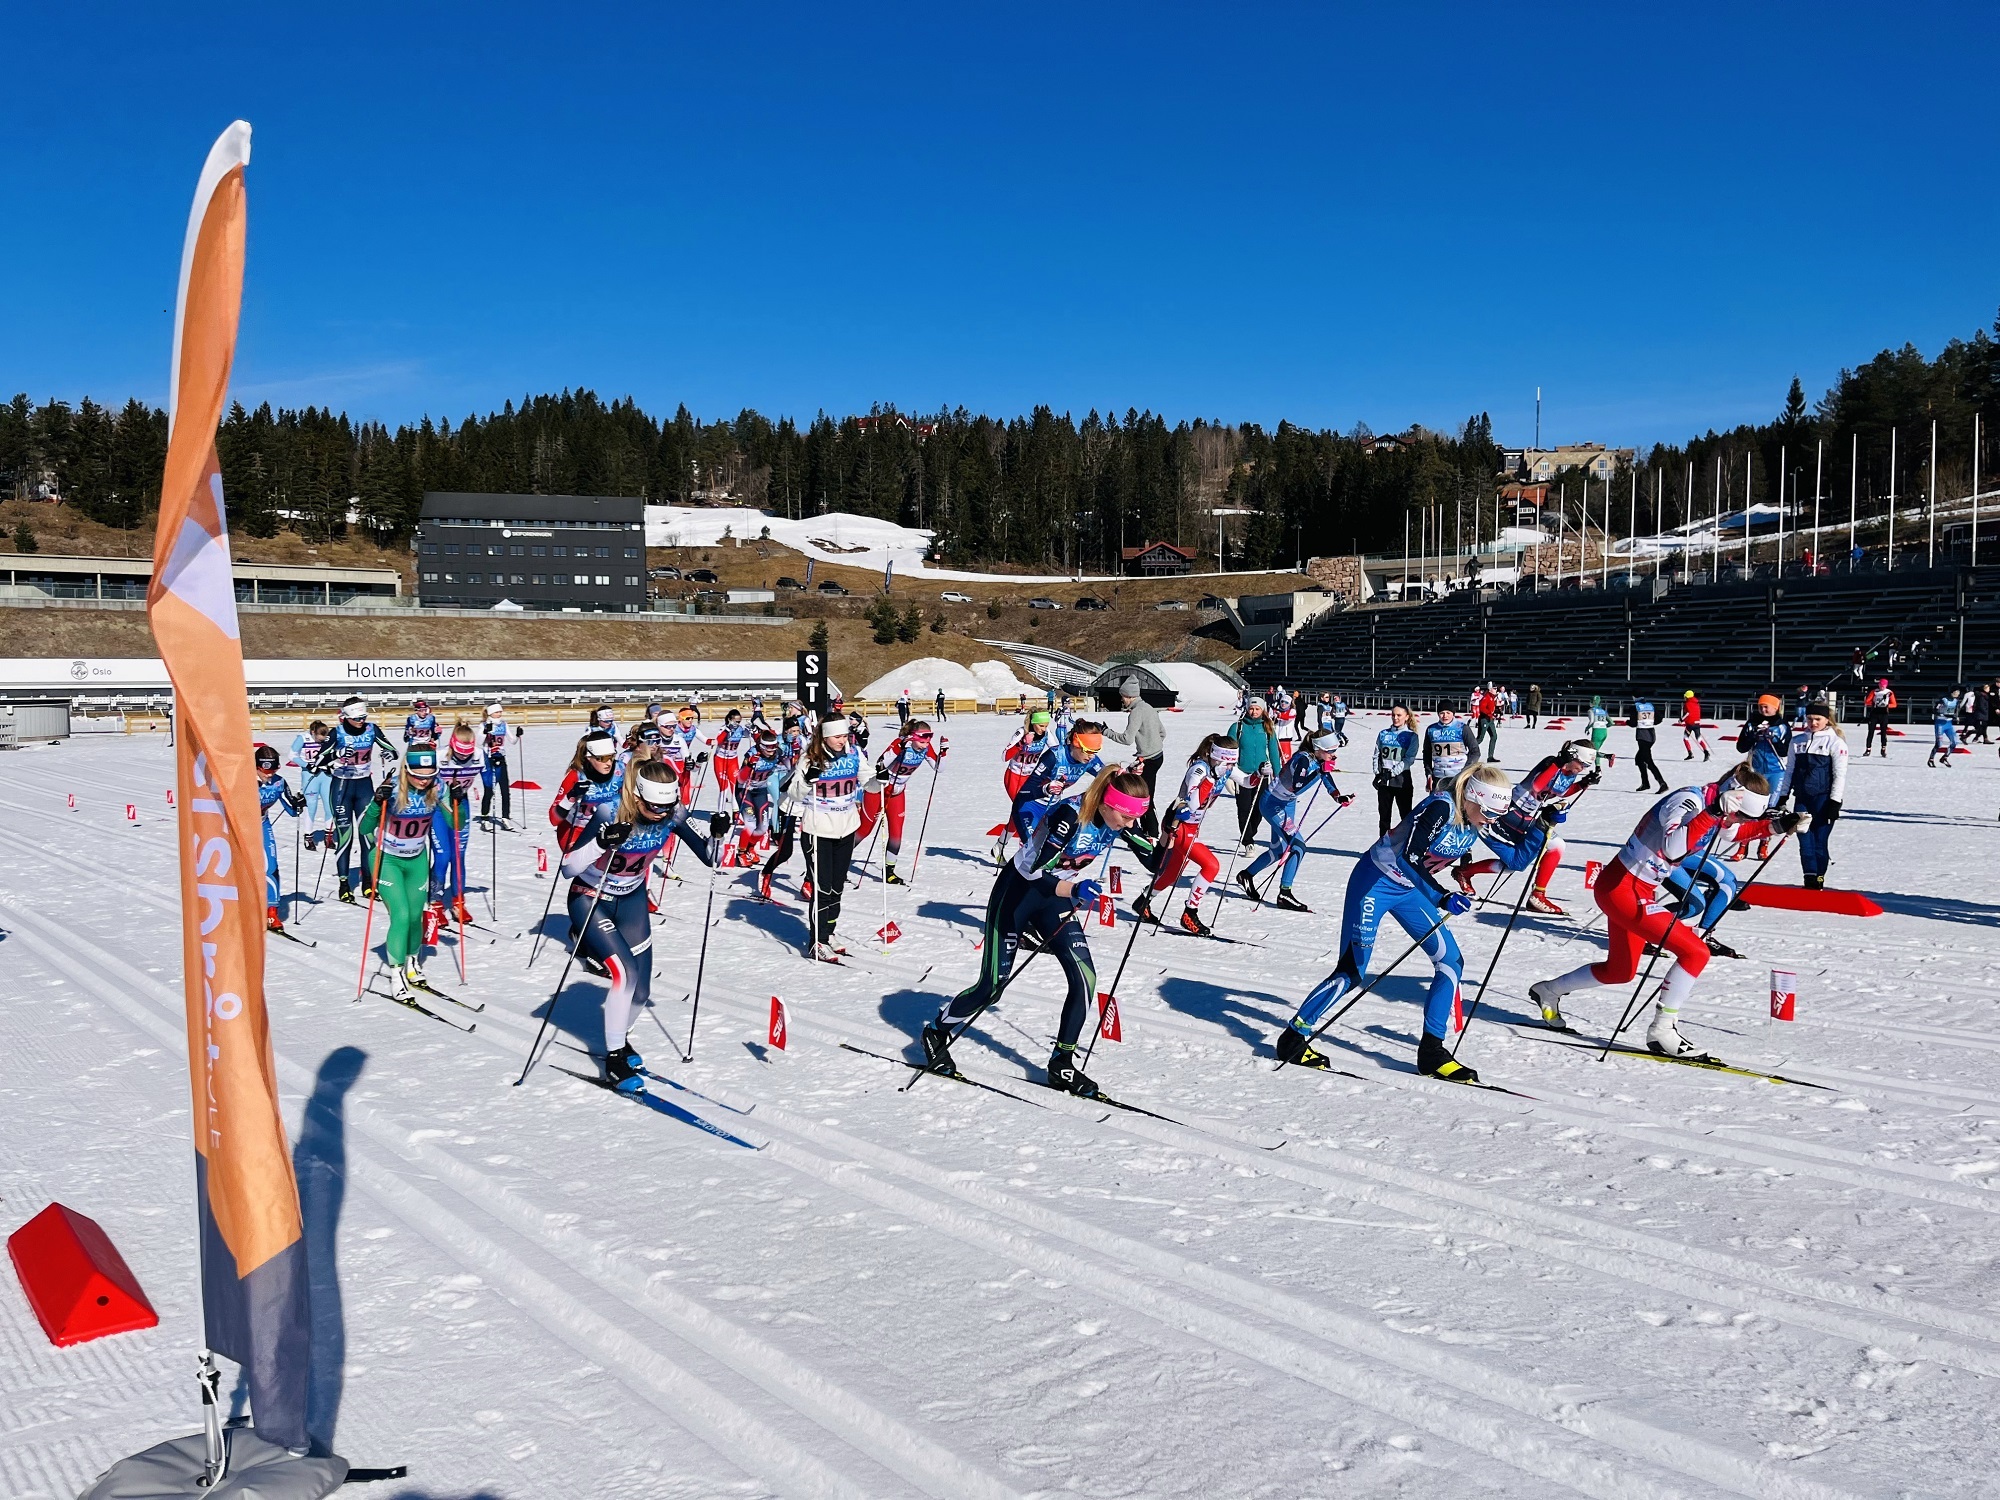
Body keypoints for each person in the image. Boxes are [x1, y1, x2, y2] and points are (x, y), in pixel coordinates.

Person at [1272, 763, 1549, 1083]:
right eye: (1488, 812)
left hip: (1409, 889)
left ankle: (1432, 1052)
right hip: (1374, 883)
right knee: (1352, 971)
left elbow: (1516, 860)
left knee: (1451, 962)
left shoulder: (1478, 817)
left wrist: (1543, 826)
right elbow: (1409, 857)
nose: (1491, 820)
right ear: (1472, 797)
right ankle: (1293, 1038)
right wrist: (1441, 896)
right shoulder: (1440, 808)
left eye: (1497, 815)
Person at [1528, 764, 1806, 1056]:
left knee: (1620, 971)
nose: (1734, 819)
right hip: (1623, 887)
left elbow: (1731, 834)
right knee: (1696, 952)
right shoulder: (1688, 802)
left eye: (1742, 816)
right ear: (1730, 795)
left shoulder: (1718, 803)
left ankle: (1548, 991)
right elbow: (1674, 849)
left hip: (1636, 889)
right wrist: (1711, 813)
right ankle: (1662, 1031)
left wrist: (1776, 826)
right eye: (1737, 812)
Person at [922, 767, 1161, 1098]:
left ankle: (1061, 1063)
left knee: (1085, 979)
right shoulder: (1070, 815)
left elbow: (1155, 861)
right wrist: (1076, 891)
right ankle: (937, 1031)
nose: (1131, 824)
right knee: (992, 987)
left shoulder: (1116, 820)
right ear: (1107, 802)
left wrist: (1171, 835)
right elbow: (1036, 872)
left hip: (1055, 899)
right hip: (1019, 895)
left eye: (1136, 817)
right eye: (1126, 816)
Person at [562, 759, 730, 1091]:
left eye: (667, 806)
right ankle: (613, 1060)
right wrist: (601, 842)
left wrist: (718, 835)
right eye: (654, 806)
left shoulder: (674, 814)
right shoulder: (610, 812)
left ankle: (619, 1041)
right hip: (590, 897)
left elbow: (712, 858)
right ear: (638, 796)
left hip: (632, 900)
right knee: (625, 975)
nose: (661, 813)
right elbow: (568, 866)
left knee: (641, 991)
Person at [1453, 740, 1598, 914]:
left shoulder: (1571, 773)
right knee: (1519, 861)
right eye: (1582, 764)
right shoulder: (1551, 763)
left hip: (1526, 818)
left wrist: (1582, 784)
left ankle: (1467, 872)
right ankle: (1537, 895)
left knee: (1537, 854)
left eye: (1586, 766)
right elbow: (1538, 786)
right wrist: (1558, 764)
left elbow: (1559, 791)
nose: (1582, 769)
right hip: (1508, 814)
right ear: (1572, 756)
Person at [357, 745, 448, 1001]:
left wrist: (459, 801)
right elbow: (365, 827)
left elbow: (457, 823)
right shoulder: (394, 787)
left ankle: (411, 962)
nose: (423, 779)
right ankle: (396, 973)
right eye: (417, 774)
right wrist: (376, 802)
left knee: (416, 916)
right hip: (387, 859)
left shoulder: (438, 787)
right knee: (402, 915)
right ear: (406, 770)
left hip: (416, 859)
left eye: (429, 774)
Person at [1138, 734, 1253, 935]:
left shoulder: (1223, 768)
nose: (1229, 767)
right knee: (1211, 865)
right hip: (1178, 824)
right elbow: (1192, 803)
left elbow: (1246, 781)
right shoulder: (1199, 770)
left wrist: (1259, 774)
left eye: (1232, 762)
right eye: (1227, 762)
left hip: (1192, 826)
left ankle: (1143, 901)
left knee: (1173, 872)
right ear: (1215, 756)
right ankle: (1190, 912)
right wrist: (1211, 778)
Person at [1236, 728, 1352, 912]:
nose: (1333, 755)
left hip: (1287, 803)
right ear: (1318, 748)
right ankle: (1284, 893)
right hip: (1273, 804)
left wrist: (1338, 796)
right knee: (1298, 845)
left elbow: (1325, 776)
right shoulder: (1303, 759)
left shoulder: (1317, 758)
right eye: (1330, 751)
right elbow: (1298, 785)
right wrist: (1320, 771)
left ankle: (1246, 875)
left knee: (1278, 850)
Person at [781, 714, 864, 960]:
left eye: (845, 735)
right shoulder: (809, 758)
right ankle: (817, 940)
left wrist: (877, 779)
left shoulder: (854, 754)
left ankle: (829, 932)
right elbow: (795, 793)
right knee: (822, 888)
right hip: (818, 830)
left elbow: (868, 780)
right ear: (825, 736)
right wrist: (808, 780)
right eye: (838, 736)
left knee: (837, 887)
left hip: (846, 827)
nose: (843, 740)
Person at [310, 696, 399, 903]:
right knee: (345, 837)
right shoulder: (337, 732)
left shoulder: (371, 730)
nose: (361, 721)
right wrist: (338, 754)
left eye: (364, 717)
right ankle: (344, 885)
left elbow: (392, 749)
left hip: (364, 787)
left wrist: (388, 753)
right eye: (357, 718)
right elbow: (317, 763)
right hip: (342, 787)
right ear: (347, 717)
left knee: (368, 835)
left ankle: (368, 884)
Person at [856, 719, 945, 884]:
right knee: (864, 831)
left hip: (898, 793)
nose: (925, 744)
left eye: (928, 740)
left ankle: (889, 872)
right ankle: (838, 861)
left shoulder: (926, 748)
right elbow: (880, 763)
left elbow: (939, 768)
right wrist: (899, 749)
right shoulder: (900, 743)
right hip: (879, 790)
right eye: (922, 740)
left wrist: (943, 753)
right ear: (912, 737)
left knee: (896, 834)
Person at [1778, 697, 1848, 891]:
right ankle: (1809, 877)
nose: (1813, 723)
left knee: (1819, 841)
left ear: (1827, 720)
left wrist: (1835, 802)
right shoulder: (1797, 741)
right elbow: (1789, 771)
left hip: (1823, 799)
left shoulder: (1835, 742)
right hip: (1802, 799)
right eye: (1809, 719)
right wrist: (1783, 796)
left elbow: (1839, 775)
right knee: (1804, 839)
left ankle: (1819, 878)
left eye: (1818, 719)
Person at [432, 723, 484, 923]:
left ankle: (458, 902)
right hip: (438, 808)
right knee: (443, 856)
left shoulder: (479, 755)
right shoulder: (439, 756)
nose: (464, 758)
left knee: (459, 857)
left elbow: (488, 781)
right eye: (460, 754)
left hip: (461, 807)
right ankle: (435, 903)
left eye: (467, 754)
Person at [1732, 695, 1792, 862]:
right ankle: (1743, 845)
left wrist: (1772, 738)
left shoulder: (1782, 725)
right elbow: (1740, 747)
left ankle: (1763, 844)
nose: (1763, 710)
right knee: (1748, 809)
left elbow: (1784, 751)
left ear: (1776, 708)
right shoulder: (1752, 723)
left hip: (1776, 771)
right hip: (1756, 771)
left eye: (1767, 707)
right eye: (1761, 707)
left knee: (1769, 811)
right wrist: (1754, 736)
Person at [1104, 679, 1165, 840]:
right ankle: (1148, 830)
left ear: (1128, 696)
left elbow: (1127, 739)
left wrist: (1106, 731)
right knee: (1144, 794)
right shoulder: (1149, 708)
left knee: (1144, 797)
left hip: (1148, 760)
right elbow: (1162, 733)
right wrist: (1152, 747)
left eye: (1122, 697)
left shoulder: (1137, 712)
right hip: (1157, 756)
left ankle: (1151, 833)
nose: (1122, 700)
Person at [255, 742, 305, 930]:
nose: (269, 774)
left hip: (261, 823)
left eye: (274, 769)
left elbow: (292, 809)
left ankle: (271, 913)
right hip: (239, 828)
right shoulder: (243, 780)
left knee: (271, 865)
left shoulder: (278, 782)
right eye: (264, 770)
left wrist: (299, 803)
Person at [1227, 696, 1281, 849]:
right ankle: (1248, 841)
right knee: (1243, 809)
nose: (1254, 711)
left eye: (1257, 709)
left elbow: (1273, 752)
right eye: (1251, 708)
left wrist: (1277, 774)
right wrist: (1228, 775)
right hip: (1241, 774)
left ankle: (1250, 832)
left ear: (1263, 710)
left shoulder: (1267, 727)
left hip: (1262, 775)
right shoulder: (1237, 727)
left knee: (1259, 809)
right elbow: (1229, 751)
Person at [1373, 703, 1420, 834]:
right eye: (1393, 715)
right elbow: (1376, 754)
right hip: (1384, 780)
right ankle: (1383, 847)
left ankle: (1406, 848)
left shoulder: (1411, 736)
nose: (1395, 718)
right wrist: (1377, 773)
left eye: (1399, 715)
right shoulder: (1383, 734)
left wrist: (1391, 773)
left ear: (1406, 717)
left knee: (1405, 817)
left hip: (1401, 781)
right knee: (1384, 817)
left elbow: (1408, 759)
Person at [292, 720, 333, 850]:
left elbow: (333, 754)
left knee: (329, 805)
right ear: (313, 732)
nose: (320, 742)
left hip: (325, 776)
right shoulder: (303, 738)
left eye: (322, 741)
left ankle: (329, 835)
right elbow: (292, 755)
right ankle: (308, 837)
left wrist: (330, 765)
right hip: (310, 776)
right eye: (318, 740)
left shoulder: (327, 739)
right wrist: (307, 765)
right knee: (311, 806)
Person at [1421, 701, 1470, 793]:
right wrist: (1428, 773)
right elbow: (1426, 753)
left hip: (1458, 777)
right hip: (1438, 777)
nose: (1445, 716)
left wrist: (1466, 771)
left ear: (1453, 714)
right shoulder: (1431, 729)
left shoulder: (1462, 728)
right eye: (1441, 713)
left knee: (1459, 806)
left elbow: (1475, 751)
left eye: (1448, 713)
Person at [479, 704, 513, 827]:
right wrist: (485, 732)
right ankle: (485, 817)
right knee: (489, 790)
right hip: (488, 760)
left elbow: (512, 740)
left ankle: (505, 817)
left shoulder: (504, 724)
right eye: (497, 712)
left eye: (500, 711)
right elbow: (479, 742)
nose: (499, 714)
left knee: (505, 790)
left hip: (501, 758)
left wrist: (519, 736)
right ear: (490, 713)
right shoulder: (484, 725)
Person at [710, 708, 750, 810]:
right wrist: (728, 730)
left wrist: (751, 728)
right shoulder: (723, 728)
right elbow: (717, 741)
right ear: (729, 719)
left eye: (739, 721)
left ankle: (736, 812)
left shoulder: (740, 729)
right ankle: (721, 812)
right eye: (735, 721)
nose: (737, 723)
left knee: (734, 786)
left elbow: (750, 735)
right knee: (724, 787)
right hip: (720, 759)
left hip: (732, 760)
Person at [1630, 695, 1667, 793]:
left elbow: (1633, 723)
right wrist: (1649, 723)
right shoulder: (1650, 705)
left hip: (1643, 736)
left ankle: (1662, 783)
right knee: (1639, 759)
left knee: (1648, 761)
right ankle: (1645, 783)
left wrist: (1628, 722)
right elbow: (1659, 718)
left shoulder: (1636, 707)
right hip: (1651, 734)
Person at [1862, 679, 1896, 756]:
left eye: (1883, 685)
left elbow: (1894, 704)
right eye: (1880, 685)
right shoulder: (1874, 691)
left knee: (1883, 732)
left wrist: (1887, 706)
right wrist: (1873, 703)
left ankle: (1883, 748)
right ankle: (1868, 749)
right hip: (1874, 713)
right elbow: (1867, 701)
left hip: (1884, 713)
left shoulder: (1889, 692)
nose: (1881, 687)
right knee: (1870, 731)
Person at [1930, 689, 1961, 768]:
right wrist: (1944, 714)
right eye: (1955, 692)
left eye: (1958, 693)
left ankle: (1945, 757)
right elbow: (1935, 710)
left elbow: (1956, 711)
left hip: (1948, 724)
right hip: (1940, 723)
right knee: (1939, 743)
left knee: (1954, 742)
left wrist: (1956, 717)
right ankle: (1931, 759)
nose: (1957, 694)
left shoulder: (1956, 701)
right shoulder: (1944, 700)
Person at [1585, 694, 1613, 770]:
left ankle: (1608, 756)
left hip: (1597, 732)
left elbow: (1591, 722)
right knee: (1596, 750)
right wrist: (1604, 726)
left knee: (1593, 751)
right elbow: (1611, 722)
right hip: (1604, 732)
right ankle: (1598, 769)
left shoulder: (1591, 710)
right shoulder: (1603, 711)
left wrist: (1587, 728)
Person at [1473, 685, 1500, 762]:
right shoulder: (1487, 697)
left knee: (1494, 736)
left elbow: (1491, 707)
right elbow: (1482, 708)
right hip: (1484, 719)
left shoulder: (1492, 697)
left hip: (1490, 719)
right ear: (1490, 689)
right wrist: (1489, 713)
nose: (1496, 689)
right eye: (1494, 688)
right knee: (1480, 738)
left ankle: (1490, 756)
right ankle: (1468, 751)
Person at [1680, 690, 1709, 761]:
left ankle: (1690, 753)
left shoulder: (1687, 704)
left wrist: (1681, 720)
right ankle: (1706, 752)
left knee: (1685, 738)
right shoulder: (1697, 703)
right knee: (1699, 739)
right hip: (1697, 723)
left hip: (1690, 724)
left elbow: (1688, 714)